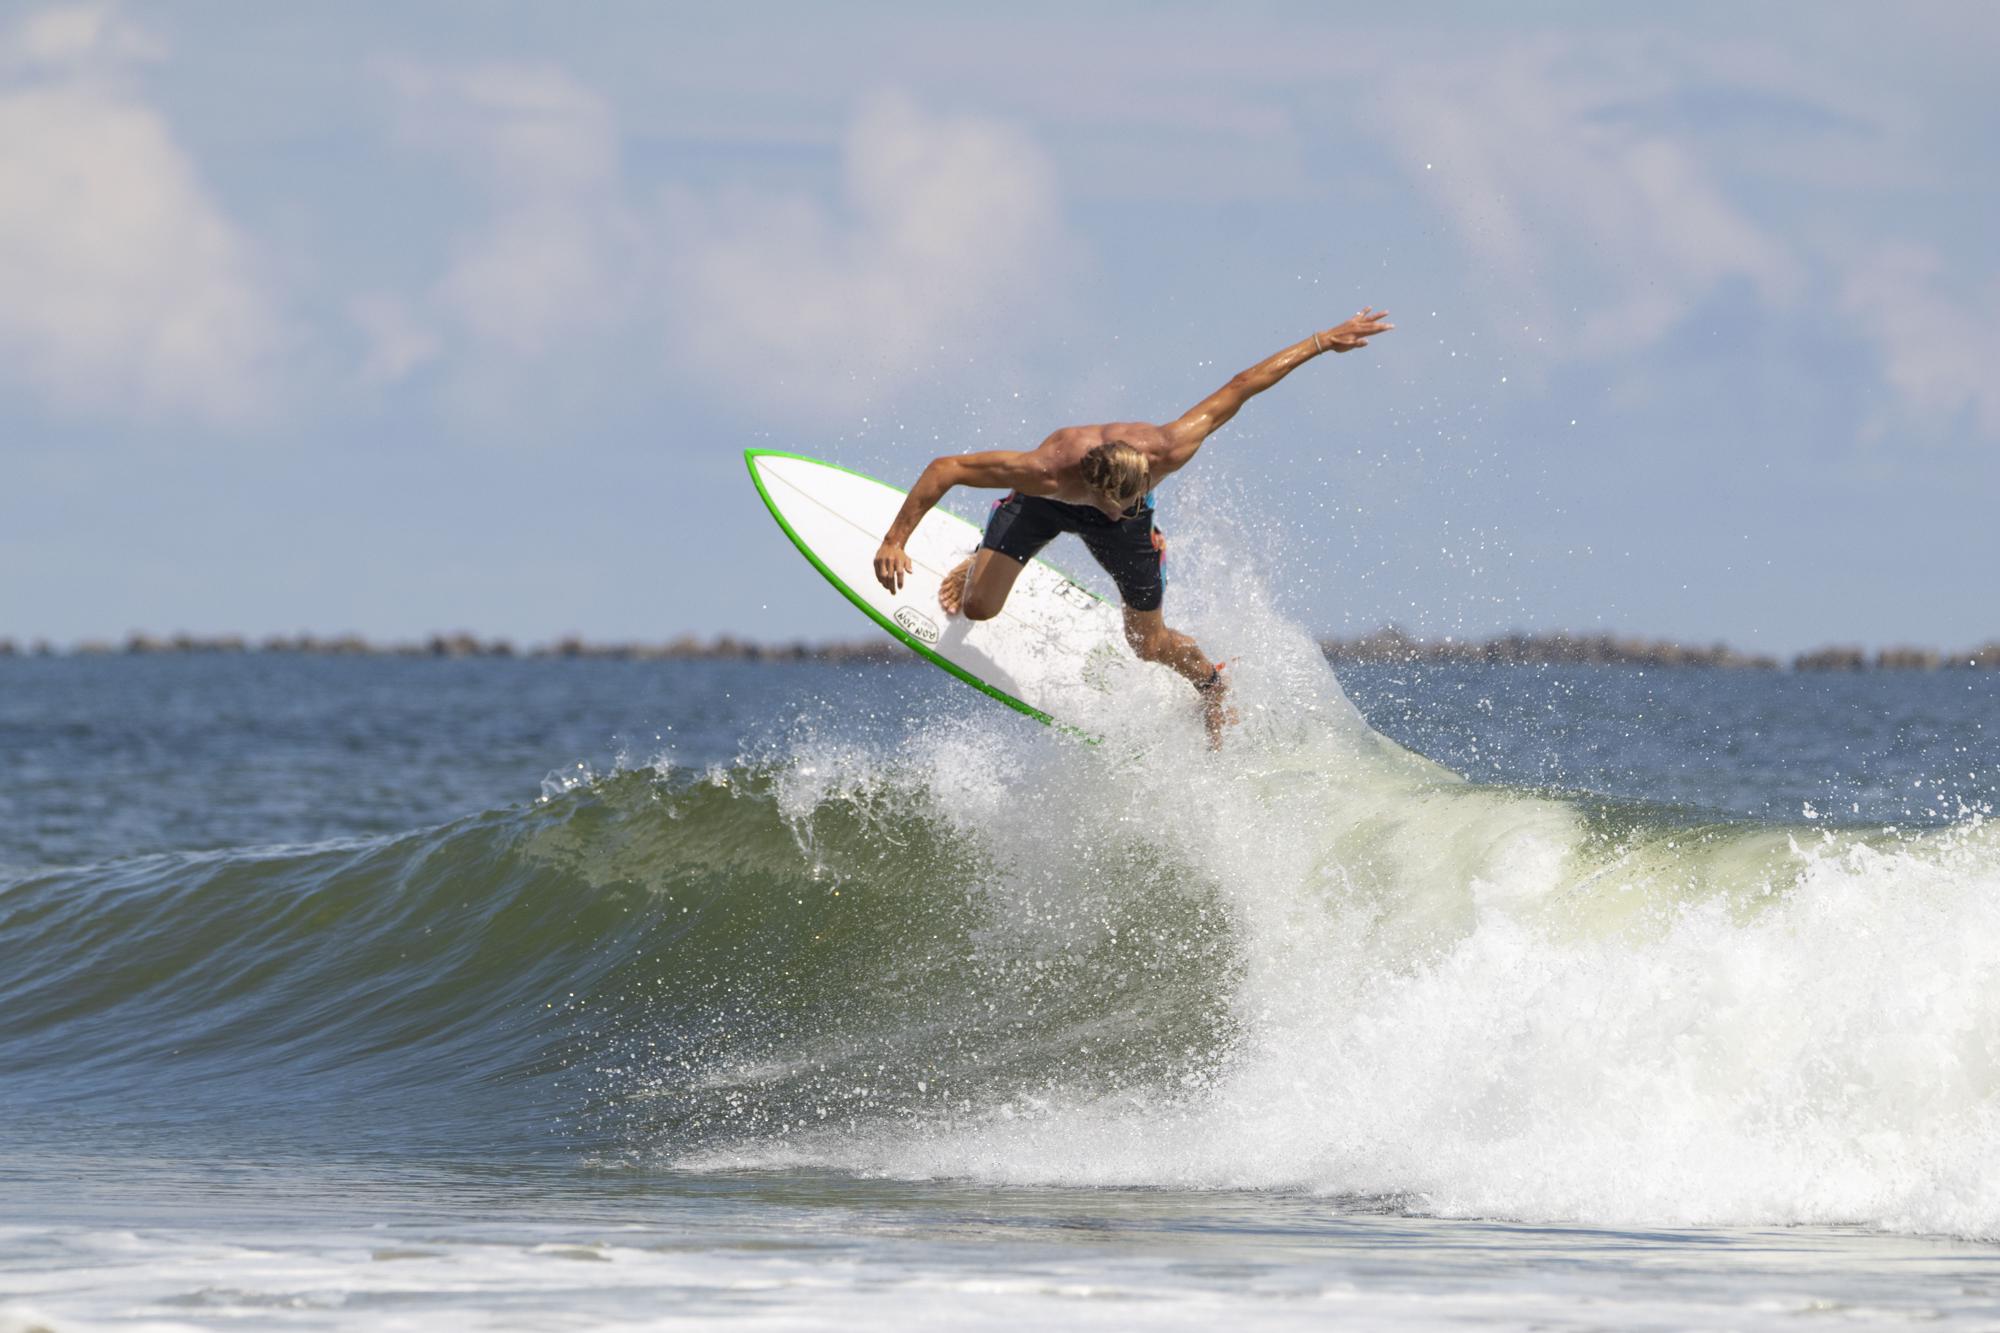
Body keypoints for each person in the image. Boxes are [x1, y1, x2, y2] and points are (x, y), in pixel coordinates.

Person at [871, 308, 1394, 744]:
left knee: (1147, 644)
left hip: (1123, 531)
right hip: (1039, 506)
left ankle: (1212, 686)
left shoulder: (1166, 450)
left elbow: (1242, 386)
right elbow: (946, 469)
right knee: (978, 609)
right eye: (1120, 503)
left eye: (1139, 497)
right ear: (1093, 488)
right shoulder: (1045, 471)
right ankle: (981, 556)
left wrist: (1324, 340)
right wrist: (895, 541)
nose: (1129, 508)